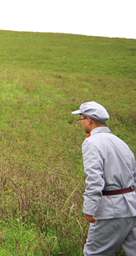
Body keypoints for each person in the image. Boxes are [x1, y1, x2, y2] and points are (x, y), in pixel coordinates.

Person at [72, 101, 136, 255]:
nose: (80, 122)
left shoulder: (91, 142)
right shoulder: (120, 142)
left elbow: (95, 179)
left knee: (94, 253)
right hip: (132, 208)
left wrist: (89, 207)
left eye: (81, 118)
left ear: (89, 120)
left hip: (111, 210)